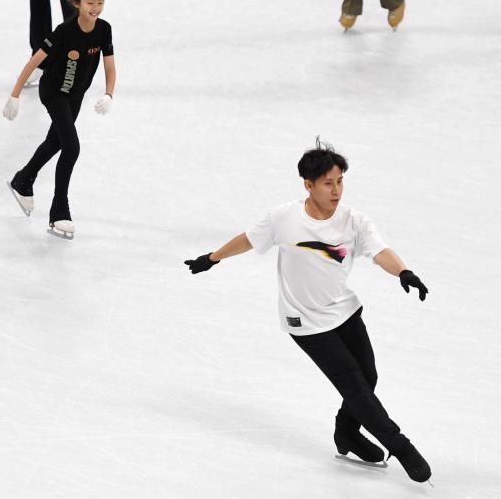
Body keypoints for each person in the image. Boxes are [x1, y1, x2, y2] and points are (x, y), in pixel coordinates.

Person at [183, 144, 431, 483]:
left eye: (340, 181)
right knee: (355, 385)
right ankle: (401, 447)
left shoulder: (353, 221)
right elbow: (250, 239)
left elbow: (380, 251)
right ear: (308, 185)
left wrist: (403, 272)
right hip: (306, 322)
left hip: (343, 310)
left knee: (368, 378)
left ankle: (347, 432)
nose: (336, 190)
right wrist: (212, 258)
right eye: (328, 183)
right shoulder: (284, 218)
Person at [2, 0, 114, 239]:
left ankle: (23, 180)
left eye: (100, 2)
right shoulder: (63, 32)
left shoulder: (104, 29)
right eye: (90, 2)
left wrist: (109, 93)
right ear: (77, 3)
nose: (96, 8)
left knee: (55, 142)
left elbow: (110, 65)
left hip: (75, 96)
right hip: (53, 92)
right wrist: (15, 95)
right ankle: (59, 210)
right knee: (71, 147)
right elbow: (34, 62)